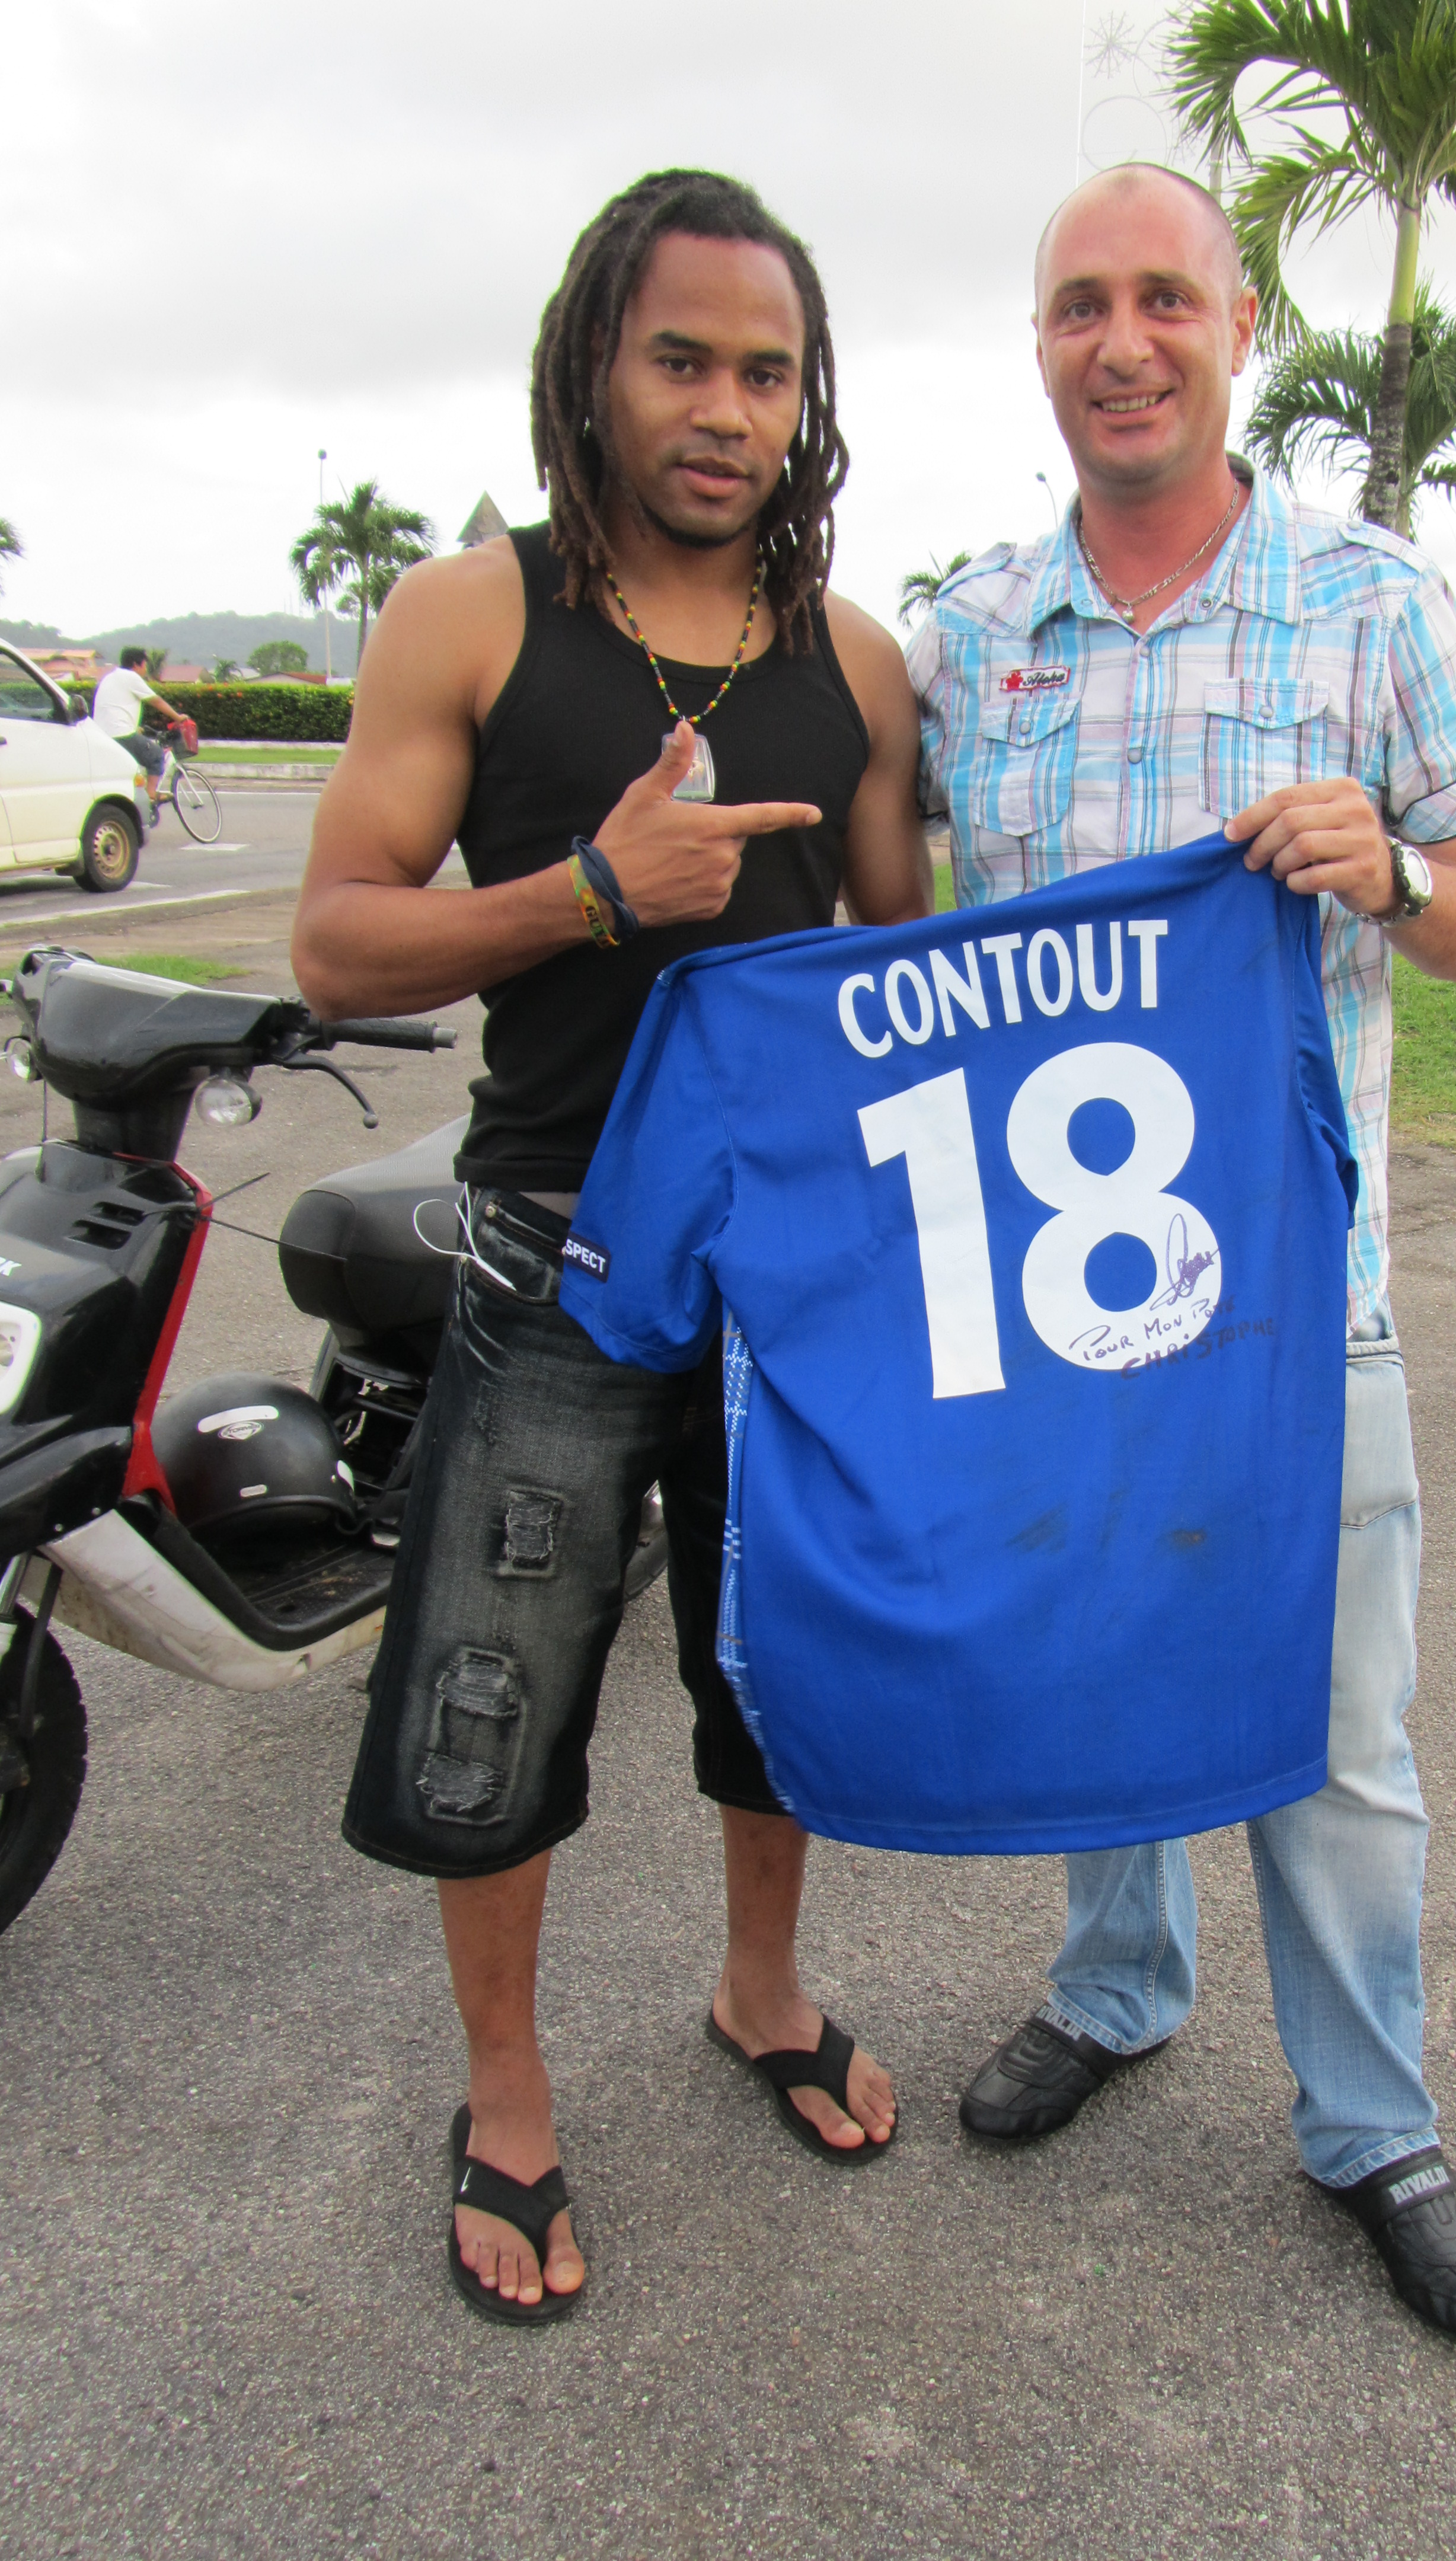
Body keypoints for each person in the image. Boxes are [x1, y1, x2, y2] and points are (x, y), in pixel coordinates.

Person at [908, 163, 1456, 2345]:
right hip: (1057, 1315)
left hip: (1296, 1306)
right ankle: (1115, 1986)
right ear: (1039, 343)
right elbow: (894, 954)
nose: (1123, 343)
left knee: (1337, 1732)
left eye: (1164, 299)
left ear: (1241, 323)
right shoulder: (971, 637)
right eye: (1079, 303)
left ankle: (1373, 2121)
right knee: (1094, 1672)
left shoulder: (1369, 606)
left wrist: (1394, 869)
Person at [292, 168, 931, 2322]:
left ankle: (762, 1986)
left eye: (767, 371)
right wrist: (592, 889)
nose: (726, 409)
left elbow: (909, 973)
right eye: (682, 360)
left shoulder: (854, 662)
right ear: (593, 369)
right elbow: (337, 943)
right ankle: (505, 2087)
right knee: (491, 1692)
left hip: (792, 1287)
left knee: (775, 1668)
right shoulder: (470, 618)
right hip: (556, 1259)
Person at [91, 645, 180, 821]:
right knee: (156, 754)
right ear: (136, 664)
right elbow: (156, 701)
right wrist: (178, 717)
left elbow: (116, 708)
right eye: (144, 664)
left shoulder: (110, 677)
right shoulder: (131, 677)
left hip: (103, 736)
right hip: (120, 735)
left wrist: (136, 729)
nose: (146, 667)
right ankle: (151, 795)